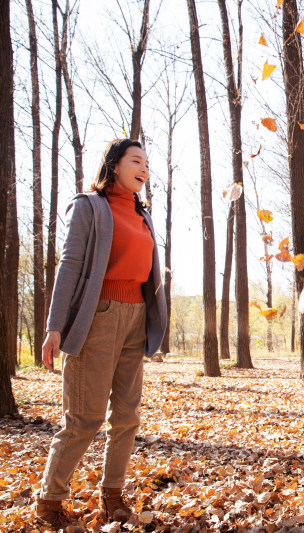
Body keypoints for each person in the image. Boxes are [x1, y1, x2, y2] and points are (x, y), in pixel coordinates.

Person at [35, 139, 167, 527]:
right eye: (136, 161)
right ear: (114, 164)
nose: (144, 168)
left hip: (136, 317)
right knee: (84, 419)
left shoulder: (143, 214)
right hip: (98, 317)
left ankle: (113, 497)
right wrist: (54, 326)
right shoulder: (89, 206)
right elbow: (70, 265)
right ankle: (49, 501)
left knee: (127, 417)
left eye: (147, 163)